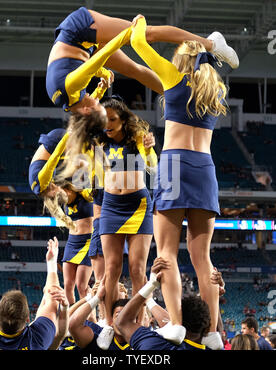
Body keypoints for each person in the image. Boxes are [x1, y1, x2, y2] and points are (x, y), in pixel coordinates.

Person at [129, 15, 230, 349]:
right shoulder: (213, 87)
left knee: (168, 252)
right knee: (203, 258)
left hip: (173, 163)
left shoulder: (173, 75)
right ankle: (213, 332)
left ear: (180, 59)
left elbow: (138, 42)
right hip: (204, 166)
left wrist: (140, 23)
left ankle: (175, 325)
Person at [46, 6, 239, 113]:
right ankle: (179, 96)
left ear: (88, 111)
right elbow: (77, 67)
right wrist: (102, 79)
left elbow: (95, 63)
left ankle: (213, 44)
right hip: (84, 49)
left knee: (147, 35)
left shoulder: (70, 88)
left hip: (77, 30)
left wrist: (129, 34)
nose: (101, 102)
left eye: (100, 108)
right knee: (132, 70)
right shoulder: (71, 105)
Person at [98, 97, 157, 329]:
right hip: (111, 206)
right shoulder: (99, 142)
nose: (108, 124)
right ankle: (109, 323)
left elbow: (152, 166)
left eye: (112, 119)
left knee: (137, 269)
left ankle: (138, 323)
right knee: (111, 269)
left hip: (138, 206)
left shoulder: (138, 139)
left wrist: (151, 149)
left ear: (123, 120)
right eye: (104, 119)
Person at [29, 128, 95, 305]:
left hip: (89, 241)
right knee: (67, 286)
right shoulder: (63, 203)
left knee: (82, 286)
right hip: (73, 242)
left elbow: (84, 171)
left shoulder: (85, 194)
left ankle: (92, 322)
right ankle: (71, 323)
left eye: (56, 190)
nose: (57, 195)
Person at [0, 236, 61, 350]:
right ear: (27, 319)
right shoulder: (38, 338)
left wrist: (51, 264)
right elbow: (52, 296)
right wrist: (52, 263)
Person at [115, 257, 212, 350]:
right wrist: (214, 294)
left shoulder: (153, 344)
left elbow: (122, 322)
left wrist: (151, 285)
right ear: (207, 329)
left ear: (177, 320)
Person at [68, 278, 131, 350]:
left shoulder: (131, 323)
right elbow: (70, 322)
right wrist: (91, 298)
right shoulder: (94, 327)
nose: (115, 304)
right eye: (111, 300)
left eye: (120, 300)